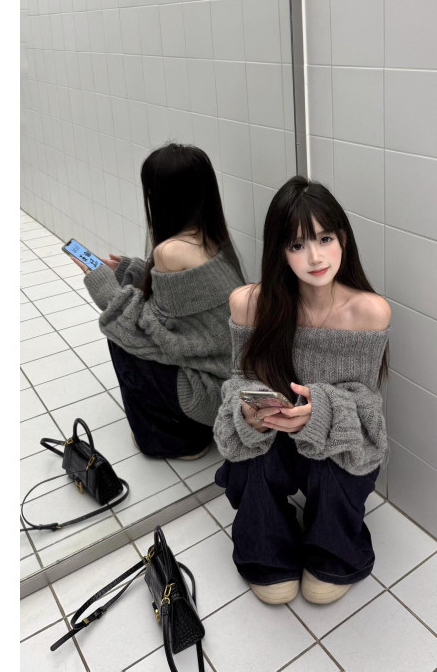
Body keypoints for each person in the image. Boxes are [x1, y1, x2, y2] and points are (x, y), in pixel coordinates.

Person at [213, 176, 391, 606]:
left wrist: (320, 414)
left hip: (334, 441)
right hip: (273, 436)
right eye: (297, 244)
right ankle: (266, 553)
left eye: (325, 238)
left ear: (342, 239)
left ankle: (334, 554)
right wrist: (251, 413)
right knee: (252, 456)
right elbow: (238, 382)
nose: (315, 257)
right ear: (279, 251)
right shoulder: (249, 304)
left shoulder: (369, 312)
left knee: (335, 462)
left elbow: (367, 410)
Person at [70, 143, 245, 459]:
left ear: (161, 197)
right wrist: (129, 270)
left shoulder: (170, 250)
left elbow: (145, 330)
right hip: (228, 381)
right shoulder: (213, 237)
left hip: (208, 394)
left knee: (121, 335)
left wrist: (103, 286)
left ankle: (173, 440)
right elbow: (180, 303)